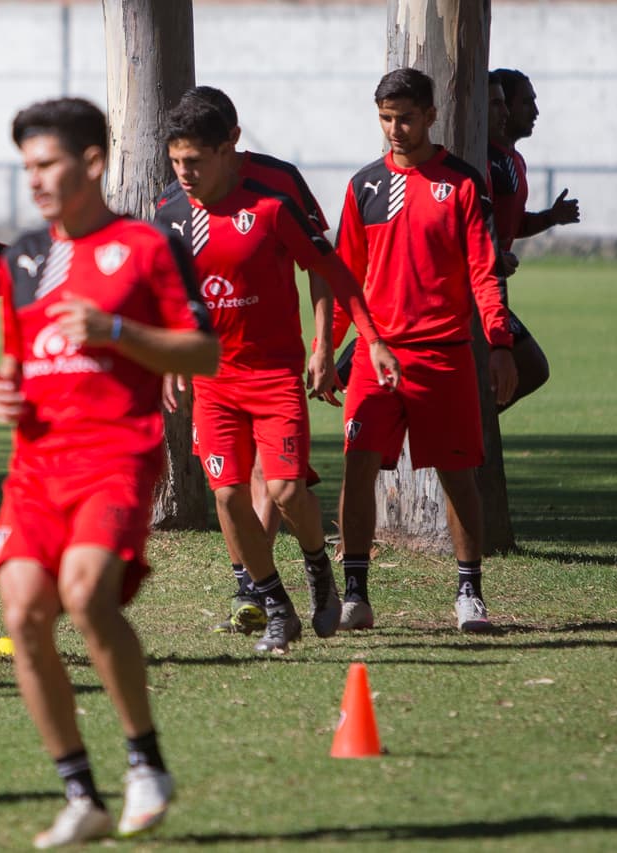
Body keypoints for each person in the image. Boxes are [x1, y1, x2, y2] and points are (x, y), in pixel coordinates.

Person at [0, 97, 218, 847]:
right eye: (27, 168)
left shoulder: (146, 245)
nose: (35, 181)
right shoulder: (21, 258)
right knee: (22, 616)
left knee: (83, 593)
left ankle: (146, 763)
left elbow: (202, 352)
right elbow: (17, 363)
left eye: (47, 164)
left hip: (117, 451)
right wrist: (3, 390)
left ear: (93, 163)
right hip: (36, 463)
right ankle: (82, 792)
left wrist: (115, 330)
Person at [157, 96, 400, 653]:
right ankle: (275, 606)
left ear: (227, 151)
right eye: (176, 163)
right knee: (227, 496)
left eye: (194, 161)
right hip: (214, 383)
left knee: (288, 490)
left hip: (271, 377)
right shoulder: (170, 215)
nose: (184, 173)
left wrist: (361, 341)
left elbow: (332, 270)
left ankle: (317, 569)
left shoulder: (269, 206)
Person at [333, 68, 518, 633]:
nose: (395, 128)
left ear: (432, 116)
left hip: (444, 355)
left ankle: (469, 594)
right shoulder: (364, 185)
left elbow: (485, 272)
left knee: (458, 474)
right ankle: (356, 594)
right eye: (386, 117)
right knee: (357, 468)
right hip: (376, 357)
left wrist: (500, 344)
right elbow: (346, 277)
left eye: (406, 117)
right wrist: (323, 349)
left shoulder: (461, 183)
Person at [157, 86, 340, 559]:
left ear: (230, 139)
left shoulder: (278, 183)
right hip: (216, 370)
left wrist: (324, 344)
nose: (187, 169)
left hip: (273, 362)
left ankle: (272, 584)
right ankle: (258, 588)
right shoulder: (175, 205)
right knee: (233, 487)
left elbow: (320, 264)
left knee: (272, 480)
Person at [487, 68, 580, 410]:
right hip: (474, 290)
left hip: (493, 286)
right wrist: (490, 255)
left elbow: (511, 224)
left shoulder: (515, 161)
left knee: (524, 370)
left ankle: (469, 432)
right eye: (527, 102)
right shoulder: (483, 161)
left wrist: (549, 218)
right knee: (533, 367)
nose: (535, 111)